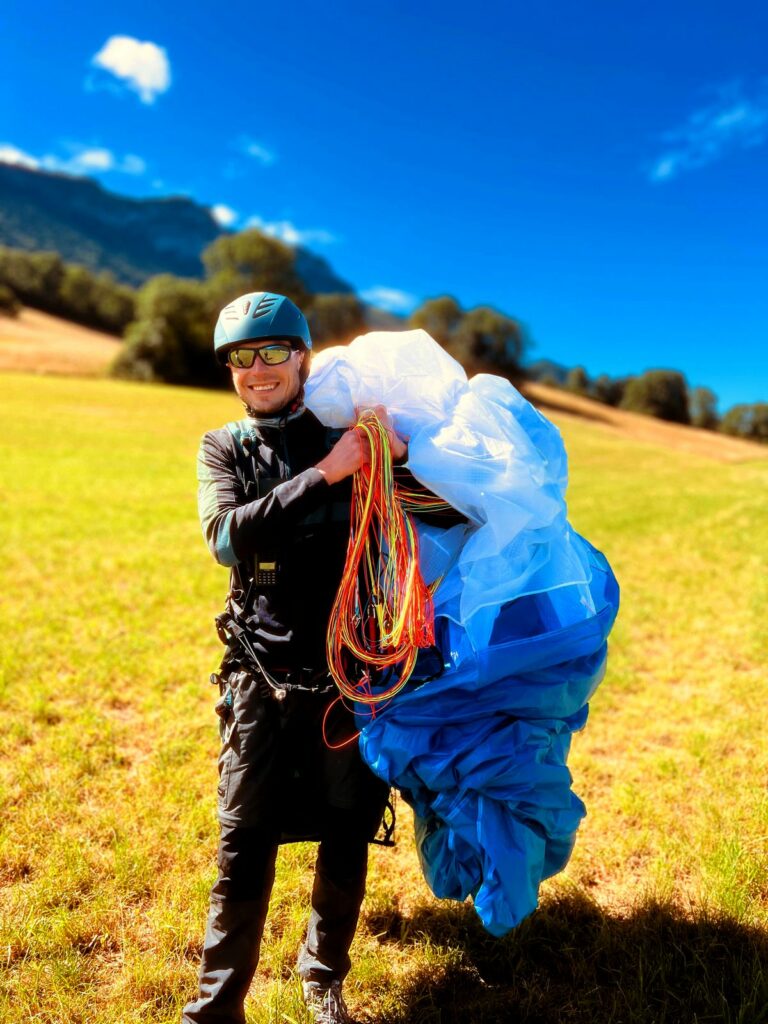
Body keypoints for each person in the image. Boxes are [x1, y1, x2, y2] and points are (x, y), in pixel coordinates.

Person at [183, 291, 422, 1024]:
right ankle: (217, 1008)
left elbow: (427, 520)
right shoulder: (222, 447)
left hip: (349, 671)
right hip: (261, 675)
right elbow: (226, 538)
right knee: (243, 838)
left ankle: (323, 975)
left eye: (273, 353)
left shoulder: (343, 433)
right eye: (242, 359)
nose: (258, 370)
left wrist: (396, 460)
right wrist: (327, 473)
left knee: (348, 827)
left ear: (302, 356)